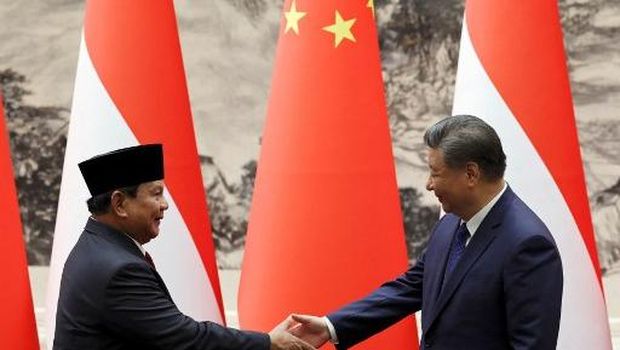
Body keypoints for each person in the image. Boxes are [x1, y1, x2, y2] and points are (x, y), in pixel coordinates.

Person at [288, 115, 563, 349]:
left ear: (471, 174)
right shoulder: (451, 223)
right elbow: (411, 287)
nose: (428, 185)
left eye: (435, 173)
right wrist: (330, 326)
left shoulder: (528, 244)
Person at [53, 144, 314, 350]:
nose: (165, 204)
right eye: (156, 194)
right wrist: (269, 343)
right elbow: (184, 339)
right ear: (120, 204)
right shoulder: (119, 269)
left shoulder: (96, 246)